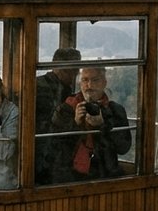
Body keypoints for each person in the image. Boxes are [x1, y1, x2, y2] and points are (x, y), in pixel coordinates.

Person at [50, 65, 131, 181]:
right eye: (85, 80)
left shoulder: (115, 110)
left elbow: (123, 147)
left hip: (105, 174)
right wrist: (75, 123)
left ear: (104, 83)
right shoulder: (65, 109)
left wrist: (102, 125)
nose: (89, 85)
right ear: (80, 83)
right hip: (70, 175)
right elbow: (54, 146)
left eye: (95, 80)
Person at [35, 47, 81, 184]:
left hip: (48, 154)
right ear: (63, 69)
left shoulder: (40, 84)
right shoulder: (43, 88)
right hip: (47, 155)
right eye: (74, 70)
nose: (76, 74)